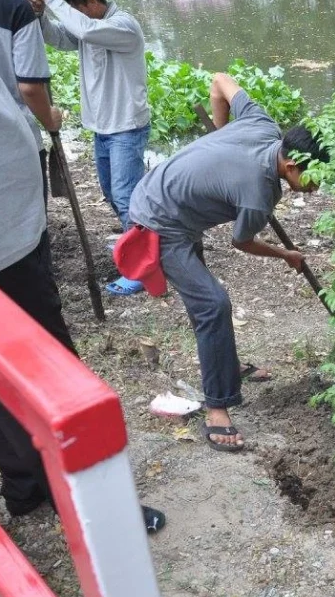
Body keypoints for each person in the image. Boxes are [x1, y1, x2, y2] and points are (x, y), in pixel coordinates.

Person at [0, 43, 164, 534]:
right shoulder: (2, 8)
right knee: (50, 375)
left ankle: (25, 485)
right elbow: (30, 86)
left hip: (0, 231)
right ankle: (90, 506)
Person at [123, 73, 324, 452]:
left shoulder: (263, 124)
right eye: (315, 179)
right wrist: (286, 254)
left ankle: (226, 366)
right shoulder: (258, 193)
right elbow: (241, 241)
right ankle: (217, 407)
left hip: (172, 196)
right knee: (213, 306)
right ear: (292, 164)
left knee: (207, 306)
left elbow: (220, 82)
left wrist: (220, 133)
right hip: (159, 221)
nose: (317, 188)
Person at [23, 0, 151, 296]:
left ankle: (143, 267)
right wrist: (40, 15)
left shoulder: (123, 26)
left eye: (74, 9)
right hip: (102, 128)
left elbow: (84, 29)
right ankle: (133, 241)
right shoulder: (88, 27)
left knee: (127, 197)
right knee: (111, 192)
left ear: (91, 2)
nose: (74, 17)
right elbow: (57, 37)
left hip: (126, 127)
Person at [0, 0, 62, 208]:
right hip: (12, 144)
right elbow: (30, 88)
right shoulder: (14, 7)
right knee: (23, 223)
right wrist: (50, 120)